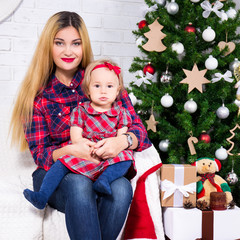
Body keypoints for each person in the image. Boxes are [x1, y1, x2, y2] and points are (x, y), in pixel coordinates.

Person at [10, 11, 151, 240]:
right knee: (79, 184)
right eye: (59, 43)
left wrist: (121, 141)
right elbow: (40, 154)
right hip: (58, 173)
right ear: (49, 46)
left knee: (122, 189)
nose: (68, 51)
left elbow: (140, 133)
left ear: (83, 46)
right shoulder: (38, 96)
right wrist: (70, 150)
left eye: (76, 43)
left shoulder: (103, 80)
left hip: (101, 169)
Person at [23, 58, 135, 209]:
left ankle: (105, 181)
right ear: (88, 90)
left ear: (117, 90)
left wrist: (112, 146)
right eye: (97, 86)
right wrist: (83, 145)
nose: (103, 91)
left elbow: (120, 139)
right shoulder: (81, 110)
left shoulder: (122, 113)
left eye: (109, 86)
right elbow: (75, 137)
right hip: (85, 151)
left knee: (126, 158)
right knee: (61, 163)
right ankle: (42, 196)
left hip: (107, 155)